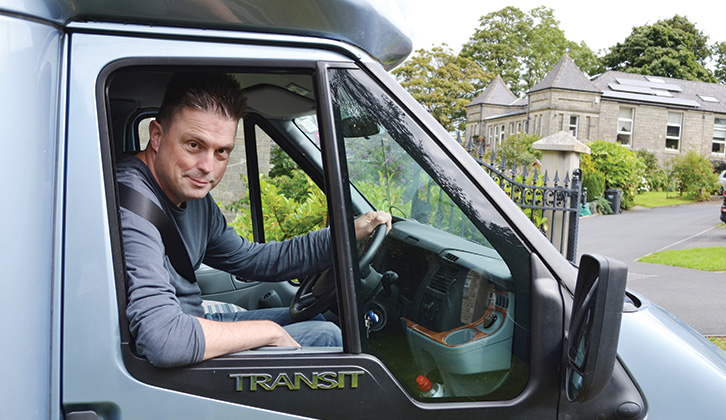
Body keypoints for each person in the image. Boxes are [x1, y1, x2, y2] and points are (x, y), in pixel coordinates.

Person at [118, 72, 391, 367]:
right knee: (325, 336)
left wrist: (345, 235)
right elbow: (165, 340)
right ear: (156, 136)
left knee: (320, 321)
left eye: (221, 151)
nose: (207, 168)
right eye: (194, 145)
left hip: (193, 318)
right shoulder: (132, 208)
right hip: (170, 352)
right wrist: (269, 332)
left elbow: (252, 260)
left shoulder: (192, 196)